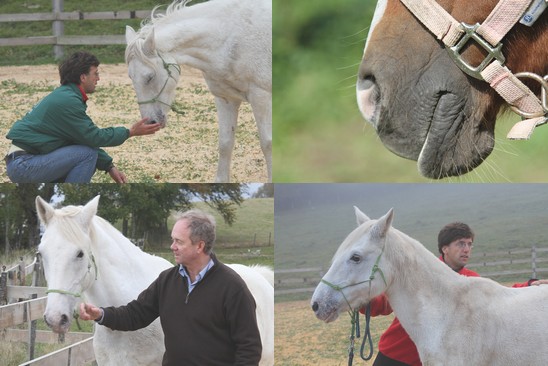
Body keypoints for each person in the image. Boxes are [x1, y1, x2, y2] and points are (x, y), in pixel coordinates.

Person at [79, 209, 262, 366]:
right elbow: (135, 314)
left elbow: (249, 348)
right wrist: (101, 314)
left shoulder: (232, 287)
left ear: (199, 246)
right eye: (172, 240)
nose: (172, 246)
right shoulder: (167, 280)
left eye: (179, 241)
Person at [368, 222, 547, 366]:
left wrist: (530, 285)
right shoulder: (421, 275)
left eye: (469, 244)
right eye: (461, 244)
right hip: (398, 353)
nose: (467, 249)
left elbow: (498, 296)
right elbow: (383, 304)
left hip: (439, 357)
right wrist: (361, 300)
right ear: (445, 248)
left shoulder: (469, 280)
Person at [4, 51, 161, 183]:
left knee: (85, 153)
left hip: (23, 161)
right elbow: (93, 137)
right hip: (24, 165)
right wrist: (130, 132)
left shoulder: (65, 96)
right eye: (95, 74)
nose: (98, 79)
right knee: (86, 155)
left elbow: (81, 139)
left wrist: (108, 166)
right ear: (82, 77)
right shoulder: (68, 101)